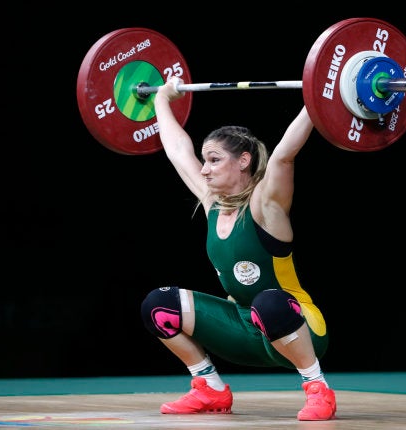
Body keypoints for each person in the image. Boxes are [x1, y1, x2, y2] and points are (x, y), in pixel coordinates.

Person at [140, 77, 336, 421]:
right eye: (205, 160)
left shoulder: (265, 205)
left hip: (298, 325)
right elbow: (176, 150)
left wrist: (317, 99)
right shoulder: (211, 201)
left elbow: (284, 157)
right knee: (159, 305)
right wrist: (161, 99)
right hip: (244, 329)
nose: (204, 169)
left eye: (214, 160)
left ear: (243, 161)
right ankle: (209, 387)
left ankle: (317, 388)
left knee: (269, 301)